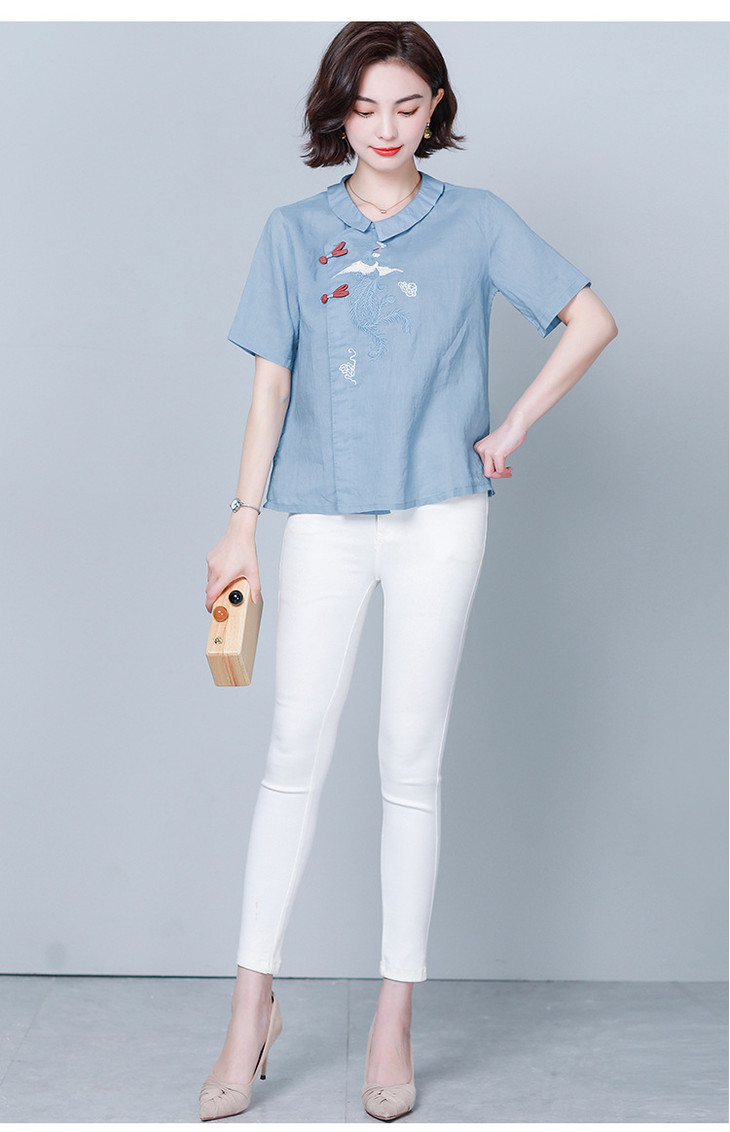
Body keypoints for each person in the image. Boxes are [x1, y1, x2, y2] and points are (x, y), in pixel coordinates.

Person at [199, 20, 617, 1123]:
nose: (384, 128)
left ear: (435, 108)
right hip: (323, 519)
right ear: (336, 112)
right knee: (292, 756)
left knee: (409, 766)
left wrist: (511, 424)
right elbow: (269, 389)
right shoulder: (294, 232)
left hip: (441, 516)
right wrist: (241, 524)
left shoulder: (474, 222)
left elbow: (589, 319)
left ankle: (394, 1016)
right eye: (364, 106)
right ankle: (249, 1007)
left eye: (406, 104)